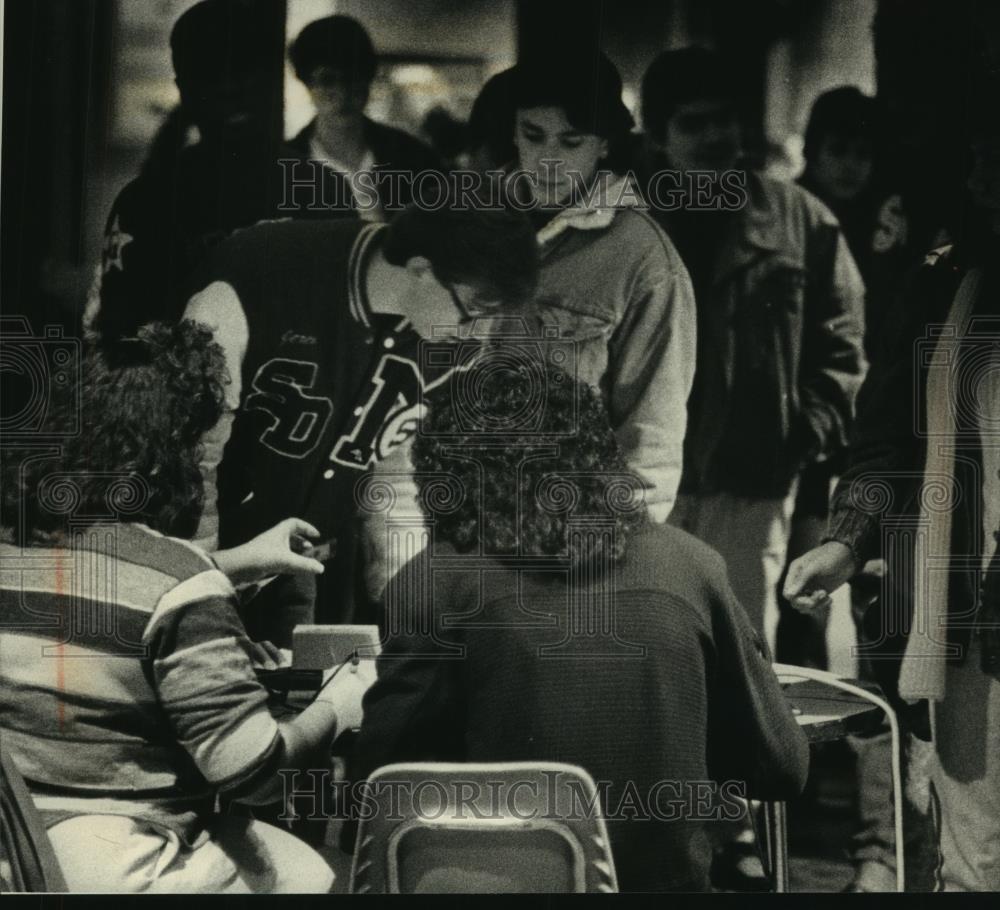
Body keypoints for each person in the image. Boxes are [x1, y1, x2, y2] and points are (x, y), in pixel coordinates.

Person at [351, 358, 810, 892]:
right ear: (597, 454)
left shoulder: (433, 581)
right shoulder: (692, 566)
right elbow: (781, 767)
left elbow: (378, 789)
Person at [0, 321, 376, 892]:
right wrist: (338, 706)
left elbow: (96, 602)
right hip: (126, 864)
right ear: (167, 448)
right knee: (334, 876)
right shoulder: (179, 583)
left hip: (18, 857)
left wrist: (234, 565)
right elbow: (254, 773)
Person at [785, 77, 1000, 892]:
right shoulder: (948, 285)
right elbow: (885, 444)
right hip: (967, 618)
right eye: (978, 164)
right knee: (974, 854)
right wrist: (848, 536)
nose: (983, 182)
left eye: (996, 165)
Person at [183, 204, 539, 642]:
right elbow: (193, 454)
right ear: (421, 268)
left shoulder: (445, 338)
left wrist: (414, 608)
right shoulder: (259, 271)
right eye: (472, 312)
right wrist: (200, 583)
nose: (475, 334)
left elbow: (396, 473)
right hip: (198, 559)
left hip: (305, 567)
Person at [639, 47, 867, 647]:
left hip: (751, 477)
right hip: (640, 476)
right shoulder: (622, 222)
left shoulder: (798, 218)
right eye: (694, 122)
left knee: (740, 650)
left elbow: (844, 344)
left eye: (725, 119)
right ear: (658, 136)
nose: (716, 136)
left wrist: (802, 434)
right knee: (646, 647)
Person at [507, 52, 697, 522]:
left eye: (571, 142)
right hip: (459, 518)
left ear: (605, 145)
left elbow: (650, 443)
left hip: (568, 530)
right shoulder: (470, 226)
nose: (548, 159)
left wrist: (617, 556)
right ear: (513, 131)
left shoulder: (645, 260)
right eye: (533, 135)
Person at [86, 0, 289, 339]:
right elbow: (121, 343)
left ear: (270, 79)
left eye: (244, 69)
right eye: (211, 74)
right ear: (184, 90)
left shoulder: (320, 188)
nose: (230, 89)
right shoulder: (144, 203)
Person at [283, 15, 442, 221]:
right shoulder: (286, 165)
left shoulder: (414, 157)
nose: (341, 93)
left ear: (368, 77)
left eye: (351, 77)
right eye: (327, 79)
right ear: (307, 83)